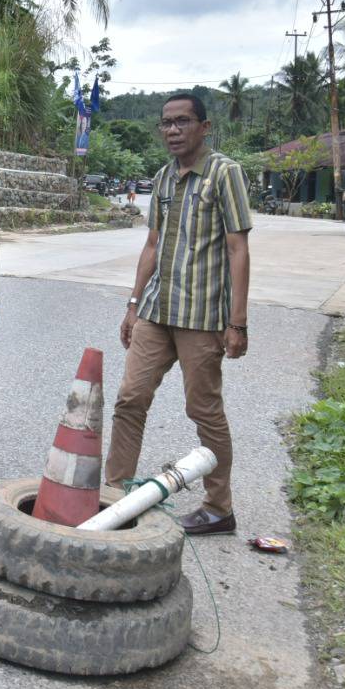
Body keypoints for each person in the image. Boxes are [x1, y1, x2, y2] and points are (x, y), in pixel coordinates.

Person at [106, 93, 252, 537]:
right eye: (166, 123)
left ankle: (218, 507)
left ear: (204, 127)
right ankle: (115, 498)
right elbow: (152, 245)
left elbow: (237, 248)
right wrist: (133, 305)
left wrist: (238, 321)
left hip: (202, 316)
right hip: (156, 309)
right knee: (130, 398)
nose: (172, 130)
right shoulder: (163, 178)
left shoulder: (225, 173)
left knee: (204, 410)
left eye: (182, 121)